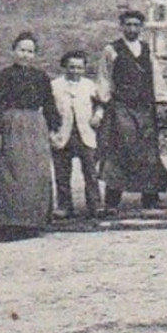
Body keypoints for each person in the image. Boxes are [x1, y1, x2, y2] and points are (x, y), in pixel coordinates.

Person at [96, 9, 167, 215]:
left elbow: (156, 76)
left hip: (145, 108)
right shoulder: (111, 50)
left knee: (148, 152)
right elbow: (104, 77)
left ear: (141, 27)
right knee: (120, 150)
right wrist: (103, 103)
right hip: (122, 107)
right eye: (128, 24)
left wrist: (161, 101)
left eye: (136, 25)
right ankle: (112, 200)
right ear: (122, 27)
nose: (132, 28)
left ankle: (150, 197)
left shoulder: (146, 50)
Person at [0, 32, 59, 239]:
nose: (25, 55)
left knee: (37, 172)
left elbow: (49, 104)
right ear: (13, 51)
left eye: (30, 51)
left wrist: (53, 129)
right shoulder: (2, 76)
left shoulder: (41, 77)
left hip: (36, 125)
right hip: (12, 125)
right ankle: (12, 222)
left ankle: (34, 221)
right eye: (22, 50)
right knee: (13, 172)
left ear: (34, 54)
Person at [49, 49, 103, 219]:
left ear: (84, 68)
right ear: (65, 67)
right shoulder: (55, 86)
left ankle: (95, 205)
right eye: (71, 67)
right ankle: (65, 206)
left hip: (85, 133)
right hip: (63, 134)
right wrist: (51, 132)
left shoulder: (89, 85)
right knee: (62, 174)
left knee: (90, 173)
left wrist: (97, 116)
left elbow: (100, 105)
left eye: (79, 68)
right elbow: (48, 109)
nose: (75, 71)